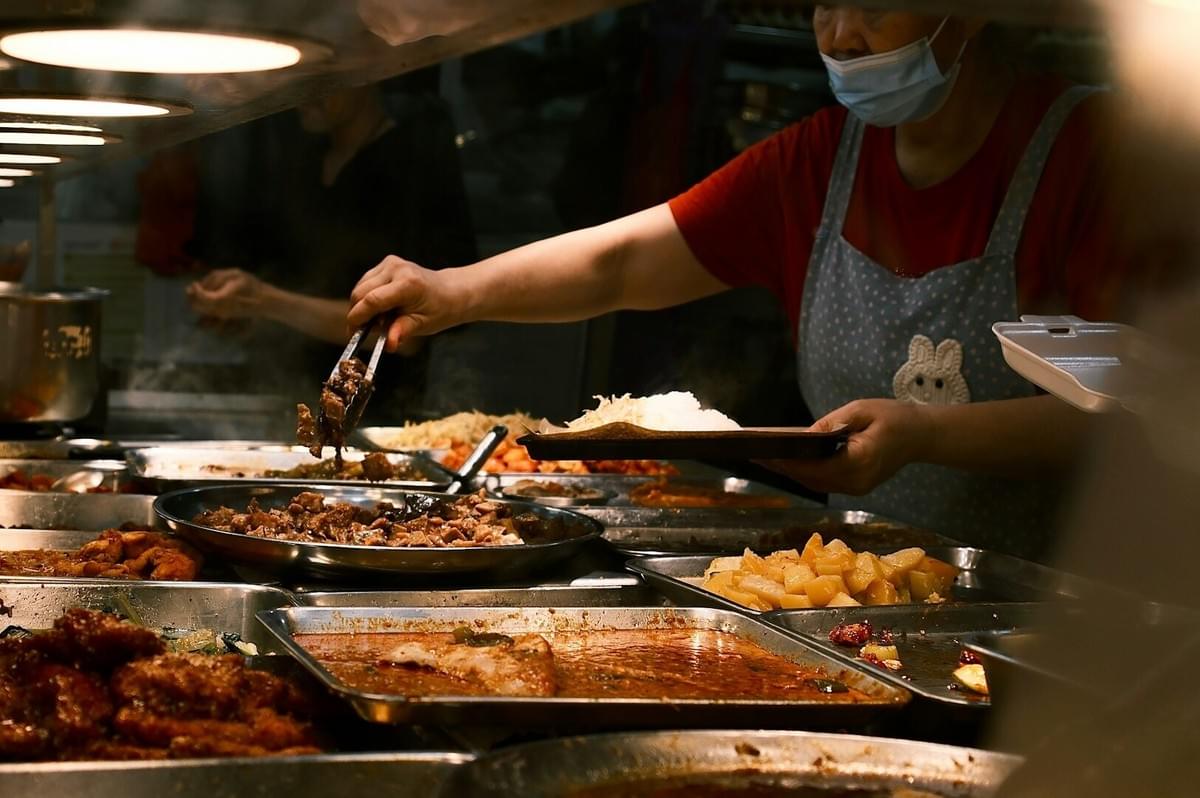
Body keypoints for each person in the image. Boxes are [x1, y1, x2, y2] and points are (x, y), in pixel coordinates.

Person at [345, 8, 1142, 557]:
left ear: (968, 13)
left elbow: (1137, 420)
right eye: (826, 4)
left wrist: (922, 434)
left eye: (874, 5)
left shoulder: (1094, 156)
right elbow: (625, 261)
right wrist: (456, 291)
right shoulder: (822, 160)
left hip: (1069, 622)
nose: (839, 34)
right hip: (875, 599)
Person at [186, 80, 475, 419]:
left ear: (367, 75)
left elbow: (407, 335)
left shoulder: (409, 164)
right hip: (287, 398)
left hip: (379, 416)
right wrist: (241, 311)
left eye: (321, 80)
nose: (302, 96)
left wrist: (264, 300)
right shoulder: (303, 163)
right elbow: (294, 292)